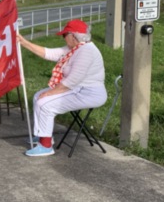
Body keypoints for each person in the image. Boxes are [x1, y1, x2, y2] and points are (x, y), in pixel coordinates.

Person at [17, 19, 107, 157]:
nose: (64, 38)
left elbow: (73, 80)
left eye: (65, 35)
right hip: (76, 89)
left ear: (73, 36)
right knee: (38, 97)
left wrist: (51, 93)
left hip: (88, 93)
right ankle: (43, 134)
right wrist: (24, 42)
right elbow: (49, 53)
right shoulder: (76, 48)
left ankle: (46, 146)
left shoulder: (87, 51)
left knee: (44, 103)